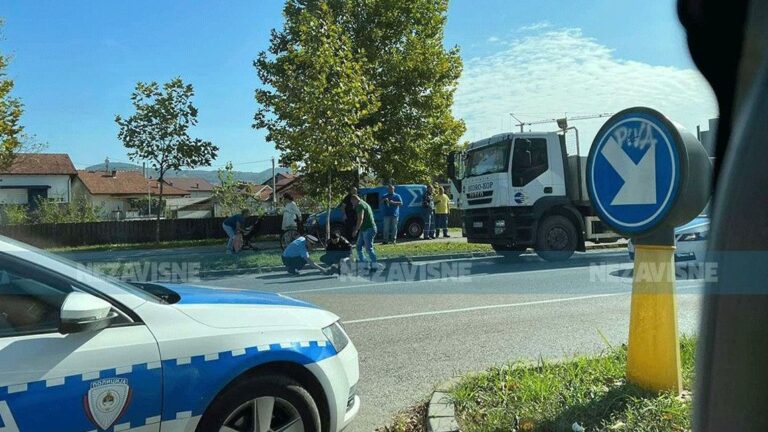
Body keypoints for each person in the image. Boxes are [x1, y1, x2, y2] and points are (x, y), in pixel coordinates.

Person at [351, 194, 383, 270]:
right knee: (358, 246)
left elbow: (360, 219)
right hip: (364, 229)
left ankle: (374, 264)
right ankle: (364, 263)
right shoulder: (363, 203)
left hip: (369, 228)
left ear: (354, 199)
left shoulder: (360, 205)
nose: (352, 204)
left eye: (352, 202)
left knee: (368, 248)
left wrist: (356, 230)